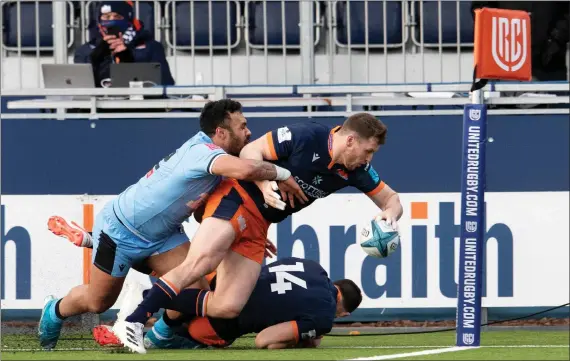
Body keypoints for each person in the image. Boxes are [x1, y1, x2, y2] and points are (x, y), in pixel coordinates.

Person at [114, 113, 403, 353]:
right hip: (236, 200)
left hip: (259, 224)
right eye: (368, 151)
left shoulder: (356, 171)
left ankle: (144, 295)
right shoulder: (307, 135)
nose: (368, 159)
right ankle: (136, 319)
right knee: (199, 265)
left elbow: (391, 199)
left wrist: (390, 216)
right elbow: (250, 152)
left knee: (227, 306)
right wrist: (265, 183)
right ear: (350, 140)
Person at [38, 99, 305, 350]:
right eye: (242, 126)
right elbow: (247, 170)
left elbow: (205, 216)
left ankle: (159, 334)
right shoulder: (203, 152)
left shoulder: (215, 167)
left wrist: (246, 230)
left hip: (164, 237)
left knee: (194, 292)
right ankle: (55, 310)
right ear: (220, 133)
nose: (248, 133)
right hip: (120, 230)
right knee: (97, 302)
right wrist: (283, 173)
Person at [93, 257, 362, 350]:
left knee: (192, 286)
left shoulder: (312, 267)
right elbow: (265, 340)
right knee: (202, 331)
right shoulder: (324, 316)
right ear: (344, 311)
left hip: (221, 282)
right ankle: (152, 334)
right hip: (219, 324)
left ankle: (148, 301)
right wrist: (302, 338)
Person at [74, 0, 175, 87]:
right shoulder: (85, 50)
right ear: (99, 21)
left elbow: (166, 83)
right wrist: (99, 54)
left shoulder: (151, 47)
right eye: (106, 17)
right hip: (99, 107)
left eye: (117, 17)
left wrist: (126, 57)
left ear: (129, 19)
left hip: (139, 106)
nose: (111, 21)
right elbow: (80, 86)